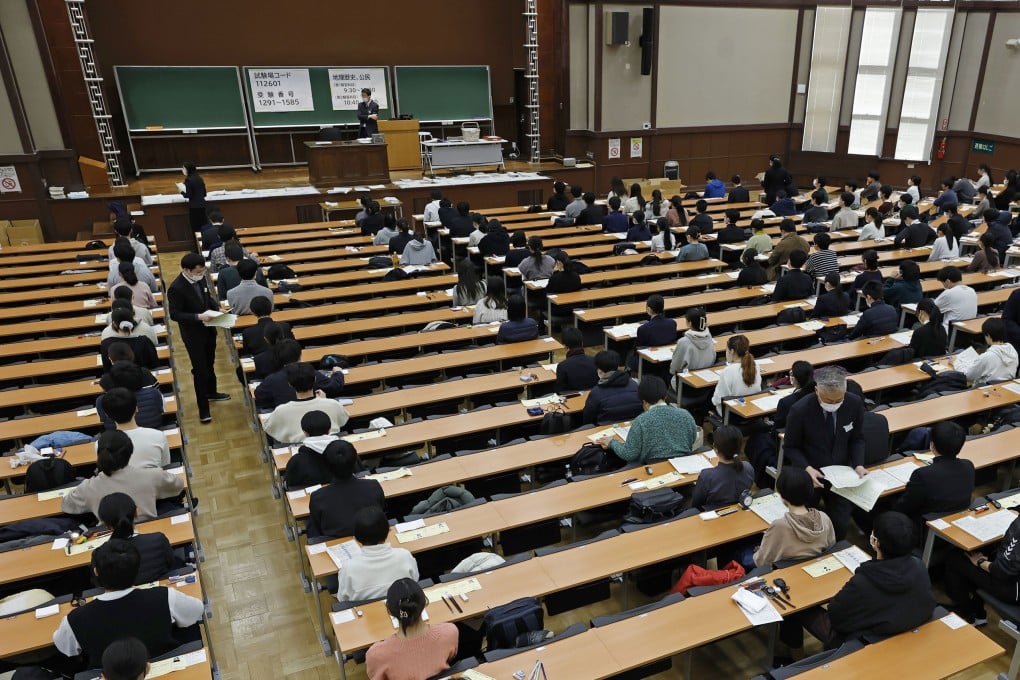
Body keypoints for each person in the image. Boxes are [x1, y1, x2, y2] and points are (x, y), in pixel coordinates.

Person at [781, 512, 934, 655]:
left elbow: (835, 616)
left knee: (797, 604)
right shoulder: (919, 566)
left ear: (875, 542)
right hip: (905, 626)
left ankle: (796, 656)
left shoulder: (864, 581)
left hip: (867, 641)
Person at [52, 540, 204, 667]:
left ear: (96, 572)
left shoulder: (74, 620)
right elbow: (197, 610)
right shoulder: (164, 596)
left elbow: (65, 648)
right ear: (138, 569)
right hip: (167, 667)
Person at [782, 365, 866, 540]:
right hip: (811, 473)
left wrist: (858, 464)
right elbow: (790, 446)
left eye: (838, 400)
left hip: (841, 473)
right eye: (828, 400)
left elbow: (857, 438)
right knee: (805, 522)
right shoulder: (800, 410)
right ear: (816, 390)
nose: (834, 404)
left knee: (840, 522)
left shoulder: (854, 403)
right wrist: (807, 468)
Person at [61, 430, 184, 521]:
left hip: (111, 542)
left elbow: (66, 505)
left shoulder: (88, 487)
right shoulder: (152, 475)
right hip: (150, 533)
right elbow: (178, 486)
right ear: (130, 453)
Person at [167, 253, 230, 423]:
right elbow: (175, 314)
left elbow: (207, 296)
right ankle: (203, 409)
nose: (201, 273)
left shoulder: (200, 279)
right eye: (198, 271)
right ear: (187, 270)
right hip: (193, 334)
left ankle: (212, 392)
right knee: (200, 370)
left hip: (209, 329)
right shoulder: (176, 288)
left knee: (210, 363)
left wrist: (217, 307)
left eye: (202, 270)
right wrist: (198, 317)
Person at [365, 578, 459, 680]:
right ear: (425, 602)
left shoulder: (376, 654)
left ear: (389, 611)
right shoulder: (450, 632)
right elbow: (450, 657)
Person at [598, 376, 698, 463]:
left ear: (644, 402)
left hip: (653, 468)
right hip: (684, 464)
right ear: (665, 395)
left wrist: (612, 442)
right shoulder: (685, 415)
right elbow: (692, 438)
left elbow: (629, 454)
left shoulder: (641, 421)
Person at [944, 511, 1020, 624]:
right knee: (987, 552)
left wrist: (980, 562)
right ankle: (978, 612)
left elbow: (1001, 571)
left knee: (956, 558)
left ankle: (966, 615)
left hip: (1013, 590)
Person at [892, 421, 974, 526]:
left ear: (932, 445)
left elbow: (905, 507)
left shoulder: (922, 475)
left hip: (922, 525)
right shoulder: (968, 465)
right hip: (955, 521)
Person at [753, 467, 836, 567]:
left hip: (783, 574)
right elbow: (831, 548)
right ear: (810, 492)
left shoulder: (779, 526)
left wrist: (758, 550)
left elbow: (761, 562)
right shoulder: (824, 518)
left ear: (783, 497)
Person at [337, 507, 419, 603]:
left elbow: (343, 599)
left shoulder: (349, 568)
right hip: (403, 609)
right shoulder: (405, 555)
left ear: (356, 537)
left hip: (367, 615)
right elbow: (415, 581)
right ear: (388, 530)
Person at [307, 440, 384, 539]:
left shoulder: (318, 497)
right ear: (356, 462)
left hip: (336, 546)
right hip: (372, 539)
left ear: (326, 465)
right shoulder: (373, 486)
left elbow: (317, 528)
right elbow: (381, 510)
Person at [98, 493, 176, 584]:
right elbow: (171, 564)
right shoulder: (158, 539)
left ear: (107, 525)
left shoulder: (100, 554)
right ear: (136, 513)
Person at [263, 364, 350, 444]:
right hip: (332, 447)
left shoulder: (281, 410)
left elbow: (269, 428)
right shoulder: (332, 404)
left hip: (298, 451)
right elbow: (343, 419)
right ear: (315, 379)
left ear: (290, 384)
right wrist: (324, 401)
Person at [254, 339, 345, 411]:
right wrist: (338, 373)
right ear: (300, 355)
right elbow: (334, 386)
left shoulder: (272, 379)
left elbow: (259, 395)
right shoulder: (310, 372)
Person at [99, 388, 170, 468]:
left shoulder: (100, 444)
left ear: (107, 415)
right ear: (136, 408)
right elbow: (165, 465)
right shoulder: (158, 436)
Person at [690, 425, 753, 510]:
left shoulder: (707, 476)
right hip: (739, 513)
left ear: (715, 449)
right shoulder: (748, 467)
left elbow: (696, 505)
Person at [98, 362, 164, 431]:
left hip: (117, 437)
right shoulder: (153, 393)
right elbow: (161, 411)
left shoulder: (102, 400)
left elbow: (103, 420)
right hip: (154, 430)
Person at [582, 350, 642, 425]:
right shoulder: (635, 385)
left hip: (604, 431)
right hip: (632, 426)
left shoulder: (596, 392)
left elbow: (587, 419)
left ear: (599, 371)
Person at [712, 335, 761, 415]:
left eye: (726, 349)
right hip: (751, 410)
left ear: (731, 351)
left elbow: (717, 400)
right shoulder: (755, 366)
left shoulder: (728, 371)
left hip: (731, 414)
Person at [960, 317, 1018, 384]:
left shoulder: (986, 357)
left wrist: (958, 365)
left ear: (988, 336)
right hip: (1005, 388)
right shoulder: (1013, 351)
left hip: (985, 390)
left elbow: (968, 376)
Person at [670, 307, 715, 377]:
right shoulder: (709, 337)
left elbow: (674, 369)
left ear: (690, 323)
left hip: (687, 382)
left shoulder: (683, 342)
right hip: (707, 376)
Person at [773, 361, 815, 430]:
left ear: (795, 379)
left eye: (792, 374)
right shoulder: (819, 394)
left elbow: (777, 429)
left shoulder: (785, 402)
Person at [935, 266, 978, 330]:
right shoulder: (972, 291)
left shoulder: (949, 293)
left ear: (947, 281)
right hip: (968, 330)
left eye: (943, 283)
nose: (943, 286)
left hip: (949, 332)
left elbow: (932, 308)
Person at [556, 326, 598, 391]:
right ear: (582, 342)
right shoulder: (595, 360)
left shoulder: (562, 366)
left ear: (564, 346)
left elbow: (560, 390)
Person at [180, 161, 207, 232]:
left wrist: (182, 192)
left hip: (194, 207)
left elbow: (188, 195)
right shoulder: (200, 178)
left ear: (188, 169)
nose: (182, 170)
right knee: (204, 227)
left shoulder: (188, 180)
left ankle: (197, 243)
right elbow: (204, 193)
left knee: (196, 228)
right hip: (203, 206)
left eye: (183, 168)